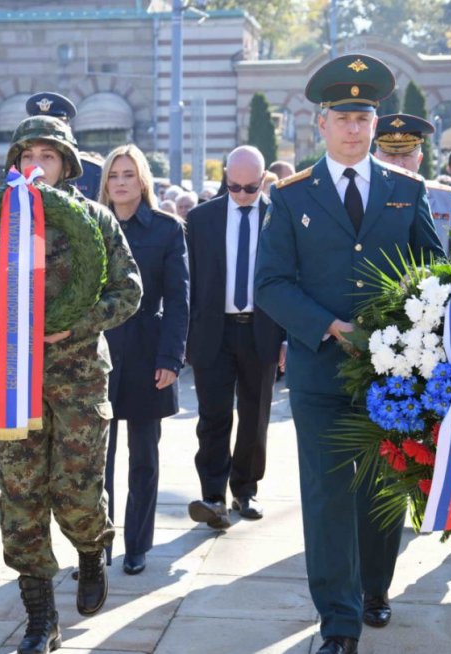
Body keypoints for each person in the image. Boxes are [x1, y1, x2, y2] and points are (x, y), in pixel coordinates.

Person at [254, 54, 442, 654]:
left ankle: (375, 588)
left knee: (384, 486)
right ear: (321, 123)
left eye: (364, 116)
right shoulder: (291, 195)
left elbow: (434, 275)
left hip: (393, 375)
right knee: (329, 493)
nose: (356, 128)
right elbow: (271, 284)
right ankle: (337, 618)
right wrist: (329, 325)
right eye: (344, 117)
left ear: (375, 120)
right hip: (320, 369)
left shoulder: (407, 189)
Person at [0, 115, 141, 653]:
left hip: (78, 379)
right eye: (27, 157)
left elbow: (129, 291)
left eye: (46, 157)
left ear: (66, 165)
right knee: (20, 494)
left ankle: (92, 549)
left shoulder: (94, 219)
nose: (35, 167)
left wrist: (82, 322)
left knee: (75, 490)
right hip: (15, 378)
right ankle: (40, 615)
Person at [99, 144, 189, 576]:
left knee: (143, 457)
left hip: (148, 353)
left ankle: (136, 544)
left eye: (128, 175)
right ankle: (95, 546)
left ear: (143, 181)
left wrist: (171, 357)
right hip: (94, 356)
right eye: (114, 175)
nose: (120, 182)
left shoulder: (167, 230)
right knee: (95, 459)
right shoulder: (89, 225)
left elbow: (179, 301)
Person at [185, 145, 284, 531]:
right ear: (225, 178)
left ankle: (245, 488)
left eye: (250, 187)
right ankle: (212, 495)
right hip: (213, 330)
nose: (242, 194)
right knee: (213, 416)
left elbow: (289, 279)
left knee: (255, 414)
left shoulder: (278, 220)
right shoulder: (201, 219)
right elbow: (188, 280)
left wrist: (287, 339)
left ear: (263, 181)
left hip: (260, 330)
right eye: (234, 186)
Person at [372, 113, 451, 253]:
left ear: (419, 160)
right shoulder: (362, 195)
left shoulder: (446, 198)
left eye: (406, 155)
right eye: (390, 155)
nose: (398, 163)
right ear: (375, 158)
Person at [25, 91, 103, 201]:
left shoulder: (94, 173)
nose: (48, 134)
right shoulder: (20, 171)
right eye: (40, 127)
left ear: (68, 132)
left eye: (55, 127)